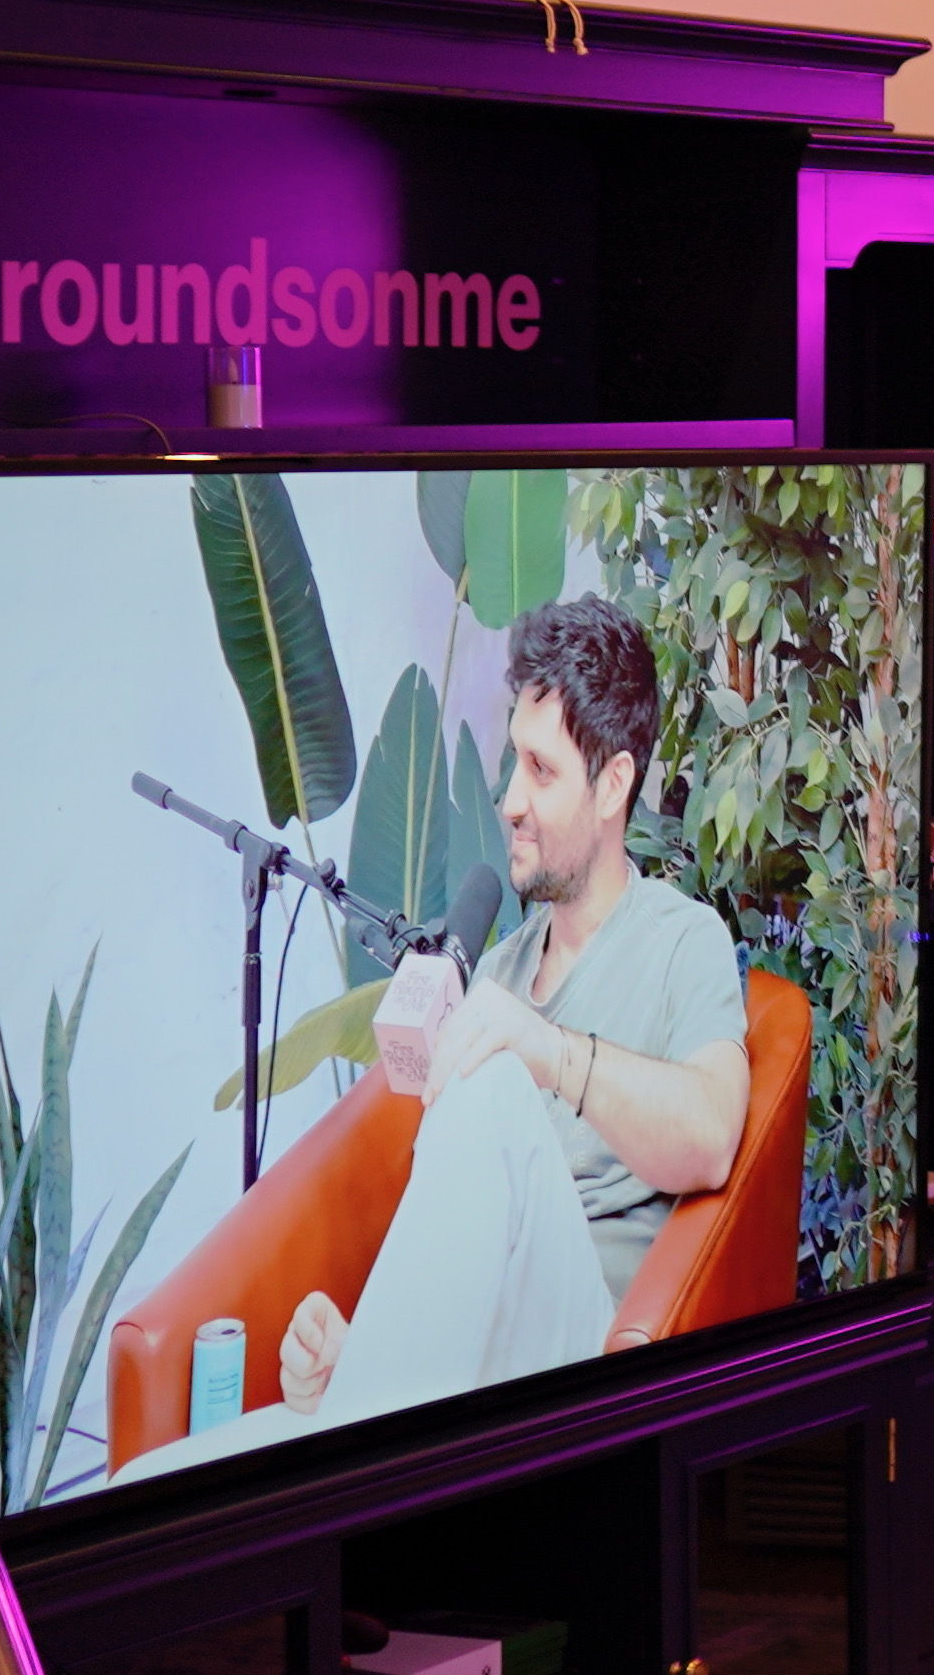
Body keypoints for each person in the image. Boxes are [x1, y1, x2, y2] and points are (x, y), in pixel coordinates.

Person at [281, 595, 751, 1427]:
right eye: (513, 762)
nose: (508, 800)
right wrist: (358, 1348)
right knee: (170, 1472)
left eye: (541, 770)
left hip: (583, 1358)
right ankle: (358, 1408)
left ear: (613, 785)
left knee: (494, 1075)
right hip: (474, 1372)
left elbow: (713, 1136)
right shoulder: (496, 972)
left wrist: (547, 1051)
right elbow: (455, 1236)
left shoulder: (685, 940)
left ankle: (361, 1432)